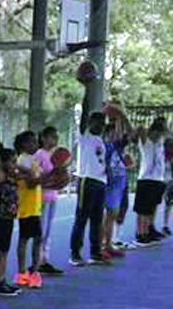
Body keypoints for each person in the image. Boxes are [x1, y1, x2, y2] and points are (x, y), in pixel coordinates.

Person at [69, 111, 109, 267]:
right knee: (81, 218)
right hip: (87, 181)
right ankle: (75, 253)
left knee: (97, 219)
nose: (100, 126)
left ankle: (95, 252)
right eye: (97, 123)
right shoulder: (84, 136)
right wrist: (87, 91)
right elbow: (84, 116)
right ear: (90, 123)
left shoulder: (101, 140)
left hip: (101, 182)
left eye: (102, 123)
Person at [12, 131, 46, 289]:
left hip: (34, 206)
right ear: (23, 145)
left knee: (33, 239)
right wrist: (50, 176)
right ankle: (27, 273)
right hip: (27, 207)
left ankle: (29, 271)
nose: (36, 144)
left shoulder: (31, 160)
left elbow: (37, 181)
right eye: (32, 142)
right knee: (28, 239)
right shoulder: (23, 160)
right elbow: (32, 183)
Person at [0, 146, 20, 297]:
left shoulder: (12, 175)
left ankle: (2, 280)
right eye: (12, 162)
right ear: (4, 162)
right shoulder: (0, 175)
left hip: (8, 217)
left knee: (5, 250)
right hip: (0, 216)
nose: (15, 164)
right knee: (1, 250)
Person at [132, 116, 169, 246]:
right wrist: (148, 130)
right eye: (157, 133)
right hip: (145, 179)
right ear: (152, 131)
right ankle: (140, 234)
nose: (159, 136)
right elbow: (139, 128)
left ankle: (147, 231)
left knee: (151, 207)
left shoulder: (160, 142)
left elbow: (168, 133)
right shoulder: (145, 141)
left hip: (158, 179)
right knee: (143, 209)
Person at [34, 126, 65, 274]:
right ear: (44, 138)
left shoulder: (56, 154)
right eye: (52, 137)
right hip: (42, 197)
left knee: (48, 231)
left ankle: (45, 259)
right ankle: (37, 261)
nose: (55, 140)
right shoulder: (39, 155)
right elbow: (37, 178)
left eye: (56, 137)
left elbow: (60, 175)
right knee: (41, 230)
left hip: (53, 196)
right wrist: (53, 175)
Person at [101, 111, 130, 256]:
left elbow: (125, 133)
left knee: (113, 214)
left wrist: (119, 116)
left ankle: (108, 243)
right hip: (110, 182)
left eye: (115, 133)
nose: (115, 136)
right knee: (108, 214)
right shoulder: (105, 147)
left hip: (120, 181)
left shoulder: (119, 147)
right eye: (111, 134)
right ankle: (103, 245)